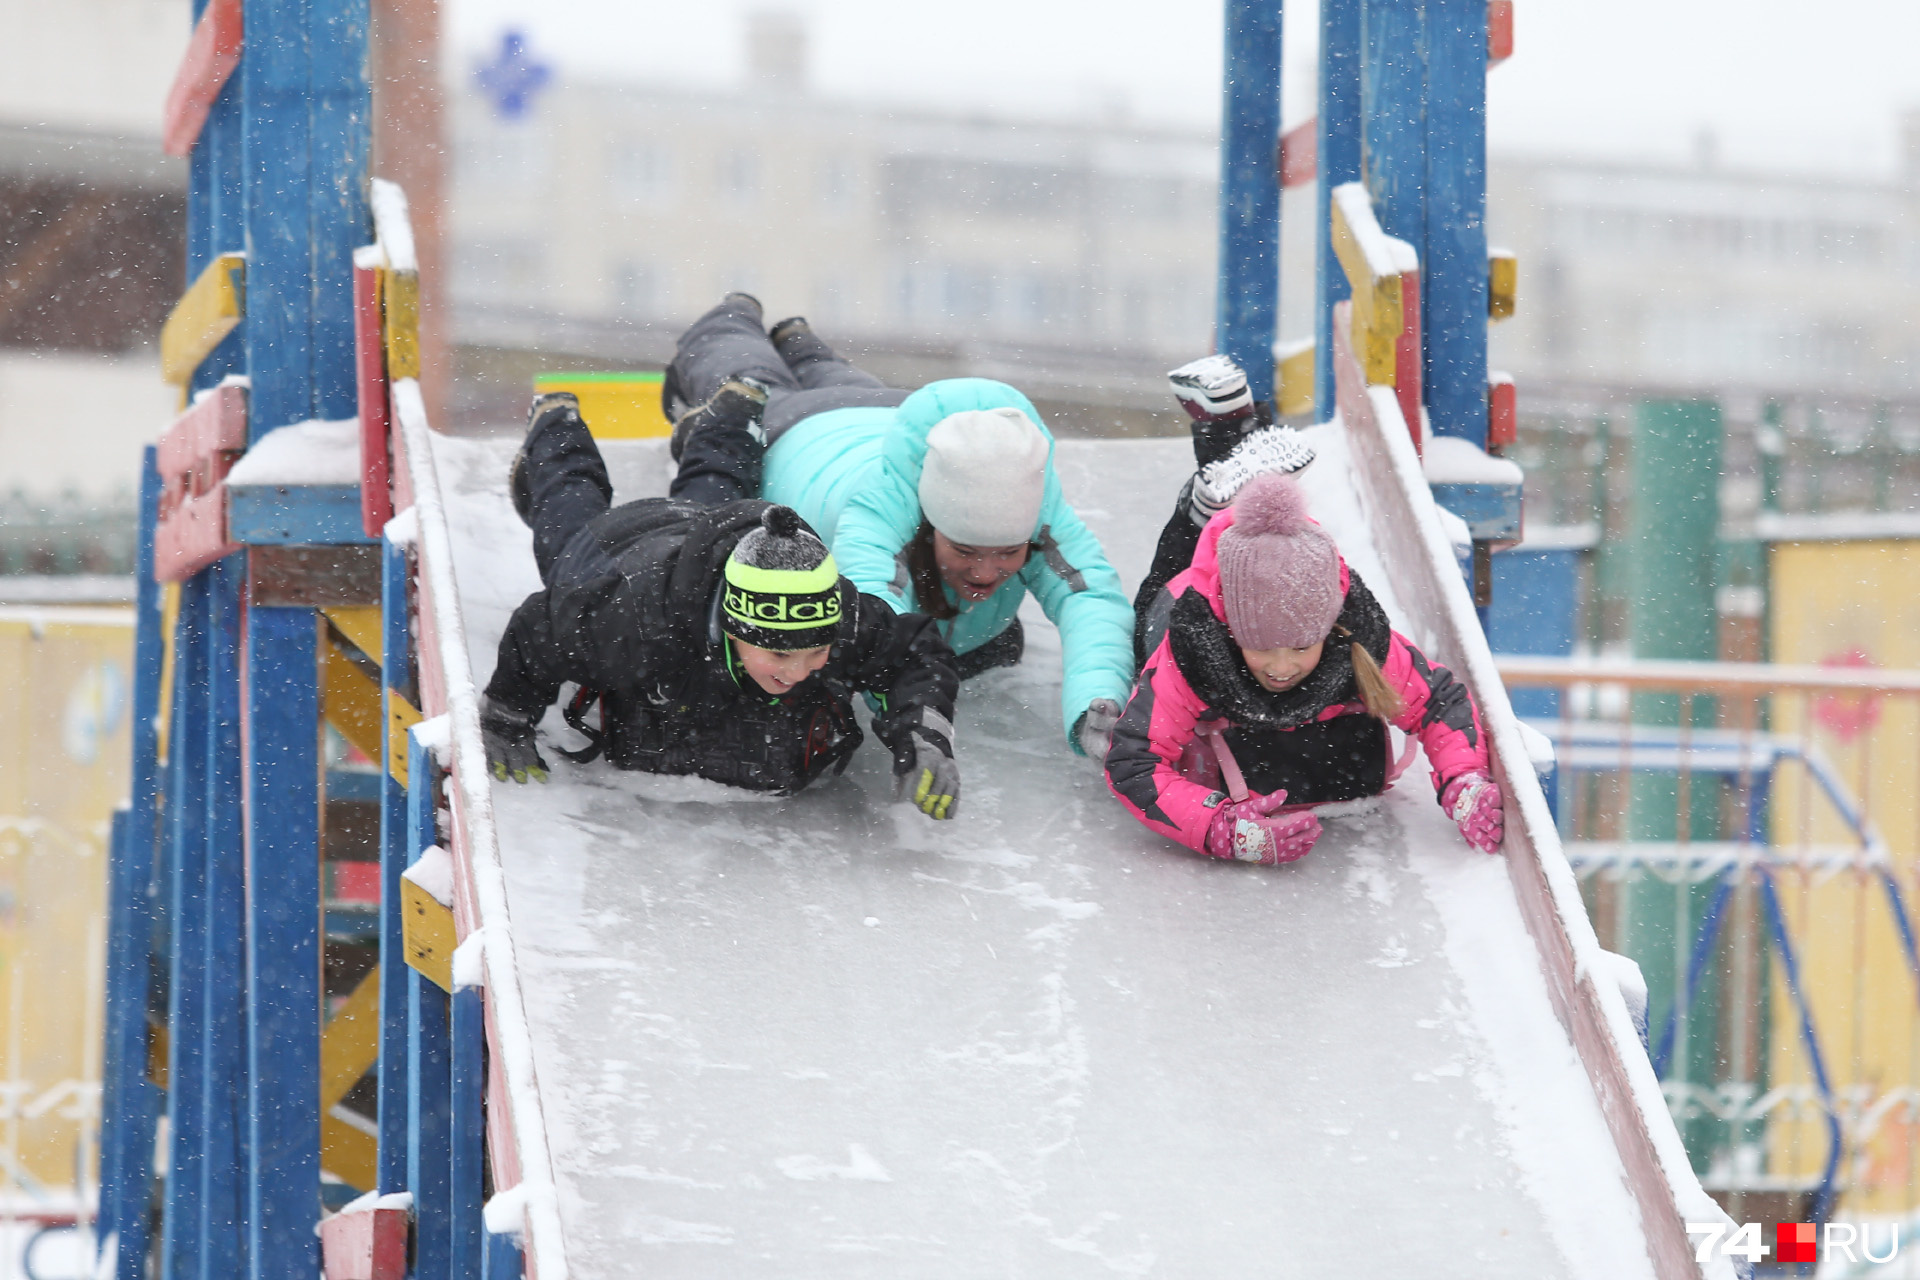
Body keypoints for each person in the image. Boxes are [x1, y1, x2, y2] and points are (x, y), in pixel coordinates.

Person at [661, 293, 1136, 762]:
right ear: (929, 525)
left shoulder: (1030, 495)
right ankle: (732, 316)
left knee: (834, 375)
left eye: (1008, 552)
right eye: (966, 550)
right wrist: (921, 722)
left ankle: (800, 343)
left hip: (885, 408)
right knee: (752, 375)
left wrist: (1098, 700)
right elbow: (878, 619)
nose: (987, 572)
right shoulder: (877, 512)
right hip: (799, 429)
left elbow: (1088, 597)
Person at [478, 380, 964, 818]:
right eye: (779, 653)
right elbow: (540, 626)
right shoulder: (628, 617)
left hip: (707, 536)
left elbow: (915, 650)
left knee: (714, 492)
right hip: (616, 548)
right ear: (733, 627)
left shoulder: (839, 612)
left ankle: (731, 417)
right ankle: (556, 423)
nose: (798, 672)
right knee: (567, 511)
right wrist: (507, 716)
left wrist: (925, 733)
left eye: (817, 652)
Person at [1104, 471, 1505, 864]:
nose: (1282, 666)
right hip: (1175, 603)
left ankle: (1217, 502)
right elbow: (1134, 759)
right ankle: (1198, 511)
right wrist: (1221, 829)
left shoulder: (1356, 641)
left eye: (1301, 646)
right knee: (1160, 590)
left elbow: (1439, 700)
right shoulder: (1194, 651)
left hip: (1246, 598)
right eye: (1260, 647)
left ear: (1328, 630)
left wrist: (1463, 780)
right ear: (1232, 633)